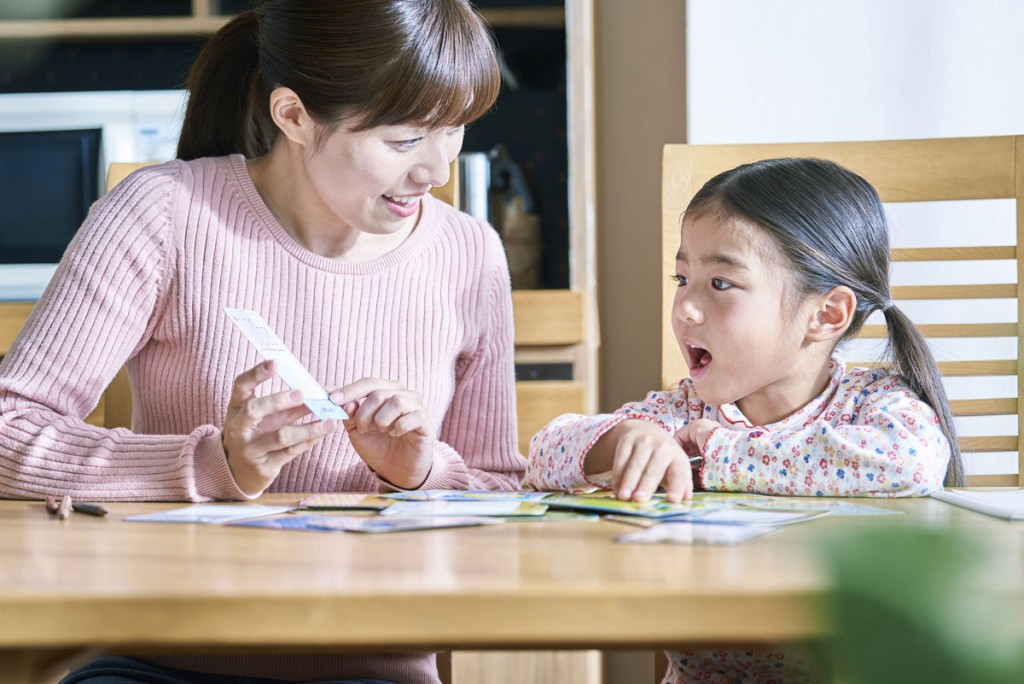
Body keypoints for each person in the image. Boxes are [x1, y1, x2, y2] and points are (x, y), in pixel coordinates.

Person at [0, 1, 523, 682]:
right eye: (403, 141)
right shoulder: (165, 215)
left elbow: (503, 499)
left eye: (452, 131)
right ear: (295, 116)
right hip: (160, 658)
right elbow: (10, 428)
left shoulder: (469, 253)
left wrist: (421, 472)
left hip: (372, 667)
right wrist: (211, 464)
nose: (436, 171)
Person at [526, 157, 964, 683]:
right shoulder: (680, 413)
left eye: (721, 284)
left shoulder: (872, 404)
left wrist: (717, 455)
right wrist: (626, 438)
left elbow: (910, 464)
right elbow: (544, 451)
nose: (685, 307)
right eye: (682, 277)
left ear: (826, 315)